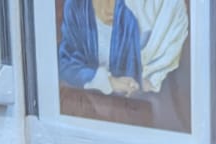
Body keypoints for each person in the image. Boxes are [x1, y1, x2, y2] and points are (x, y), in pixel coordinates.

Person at [58, 0, 187, 99]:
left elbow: (146, 83)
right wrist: (107, 82)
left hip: (135, 111)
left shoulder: (139, 15)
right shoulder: (77, 6)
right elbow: (65, 63)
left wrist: (137, 84)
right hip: (87, 106)